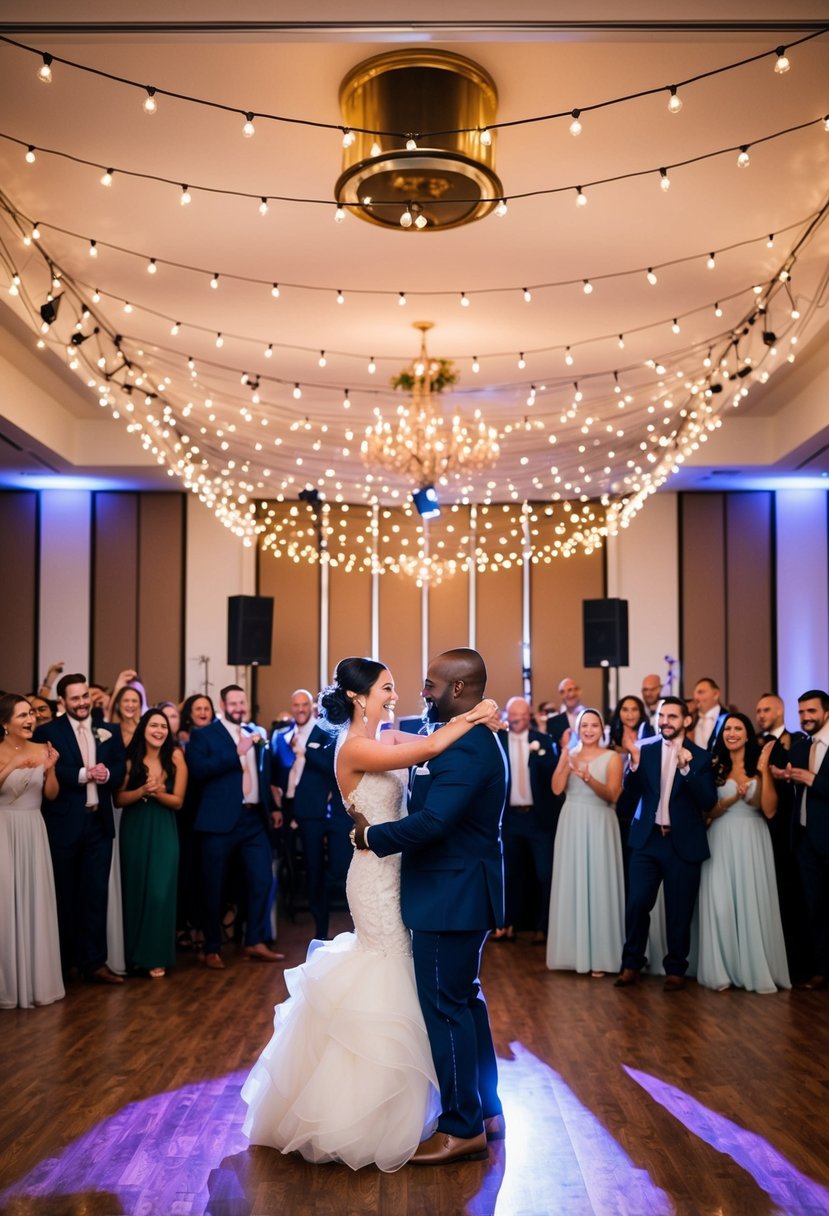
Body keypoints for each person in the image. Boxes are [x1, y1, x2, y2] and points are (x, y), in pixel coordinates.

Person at [242, 655, 501, 1171]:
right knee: (425, 991)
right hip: (380, 874)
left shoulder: (387, 738)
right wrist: (474, 715)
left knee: (448, 1000)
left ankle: (469, 1117)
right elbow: (428, 746)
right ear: (360, 696)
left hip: (419, 879)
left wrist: (473, 716)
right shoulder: (357, 745)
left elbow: (426, 740)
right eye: (389, 686)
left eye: (413, 684)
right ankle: (440, 1113)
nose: (403, 693)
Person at [352, 648, 506, 1165]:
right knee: (465, 1000)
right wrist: (474, 714)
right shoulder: (463, 735)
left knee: (446, 1007)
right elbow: (417, 740)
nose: (423, 693)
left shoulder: (468, 751)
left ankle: (463, 1128)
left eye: (431, 685)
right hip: (456, 890)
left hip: (451, 894)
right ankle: (486, 1110)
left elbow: (435, 823)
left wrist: (372, 835)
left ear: (458, 689)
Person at [615, 695, 716, 991]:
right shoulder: (645, 751)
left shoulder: (700, 757)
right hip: (647, 840)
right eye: (661, 716)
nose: (665, 721)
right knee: (637, 903)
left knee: (679, 909)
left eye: (672, 716)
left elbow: (708, 801)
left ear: (686, 721)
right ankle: (632, 963)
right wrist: (631, 766)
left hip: (681, 843)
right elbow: (630, 792)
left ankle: (676, 969)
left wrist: (687, 770)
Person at [33, 673, 127, 984]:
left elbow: (119, 770)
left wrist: (106, 773)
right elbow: (49, 767)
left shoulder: (109, 729)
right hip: (64, 823)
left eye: (85, 696)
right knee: (65, 894)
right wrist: (86, 773)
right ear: (62, 702)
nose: (83, 702)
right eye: (75, 698)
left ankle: (95, 963)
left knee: (96, 895)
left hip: (99, 823)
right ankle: (66, 964)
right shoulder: (48, 732)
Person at [186, 684, 281, 970]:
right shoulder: (204, 735)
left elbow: (263, 774)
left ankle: (255, 940)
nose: (239, 707)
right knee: (213, 886)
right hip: (219, 821)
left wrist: (272, 807)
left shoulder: (257, 733)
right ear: (222, 704)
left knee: (263, 879)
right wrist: (235, 753)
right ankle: (212, 947)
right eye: (234, 703)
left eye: (243, 702)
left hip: (253, 820)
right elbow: (198, 770)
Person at [696, 713, 789, 993]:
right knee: (721, 906)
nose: (732, 733)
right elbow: (707, 812)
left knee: (751, 903)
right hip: (720, 837)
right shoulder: (714, 766)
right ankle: (722, 970)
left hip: (752, 838)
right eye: (728, 729)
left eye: (738, 728)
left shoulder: (759, 766)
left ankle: (753, 970)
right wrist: (733, 798)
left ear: (748, 735)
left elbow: (769, 809)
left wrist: (763, 769)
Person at [547, 710, 625, 977]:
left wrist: (588, 778)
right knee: (574, 882)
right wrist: (564, 758)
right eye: (585, 725)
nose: (589, 729)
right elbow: (556, 789)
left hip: (600, 821)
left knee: (599, 883)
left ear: (602, 729)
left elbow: (612, 794)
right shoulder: (570, 755)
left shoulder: (612, 757)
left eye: (594, 725)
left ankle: (602, 956)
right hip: (572, 821)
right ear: (578, 728)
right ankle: (572, 953)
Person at [270, 688, 351, 940]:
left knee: (341, 868)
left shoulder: (342, 730)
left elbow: (336, 762)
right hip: (309, 809)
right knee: (313, 870)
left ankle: (351, 927)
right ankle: (320, 930)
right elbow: (319, 757)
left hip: (339, 810)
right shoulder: (312, 732)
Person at [0, 694, 64, 1008]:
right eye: (22, 715)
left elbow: (51, 795)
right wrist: (11, 764)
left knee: (33, 899)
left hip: (33, 827)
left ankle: (36, 980)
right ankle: (9, 985)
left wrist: (50, 770)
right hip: (4, 830)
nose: (30, 720)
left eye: (31, 714)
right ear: (4, 723)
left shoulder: (44, 749)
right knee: (5, 904)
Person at [116, 709, 187, 977]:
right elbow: (119, 799)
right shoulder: (130, 758)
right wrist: (141, 791)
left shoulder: (176, 756)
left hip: (164, 827)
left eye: (164, 726)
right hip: (134, 826)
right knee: (134, 889)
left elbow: (178, 801)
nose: (159, 730)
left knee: (160, 892)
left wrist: (157, 792)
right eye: (154, 725)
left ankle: (155, 955)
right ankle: (132, 955)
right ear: (143, 728)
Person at [773, 689, 829, 990]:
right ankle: (821, 969)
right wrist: (782, 776)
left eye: (812, 711)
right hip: (805, 840)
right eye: (802, 712)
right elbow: (791, 781)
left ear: (826, 712)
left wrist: (812, 780)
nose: (806, 717)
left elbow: (812, 782)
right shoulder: (798, 747)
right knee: (814, 906)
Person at [494, 696, 559, 943]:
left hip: (537, 817)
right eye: (513, 715)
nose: (517, 719)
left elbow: (553, 778)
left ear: (528, 715)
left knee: (544, 874)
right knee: (509, 873)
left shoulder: (543, 741)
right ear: (507, 716)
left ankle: (542, 927)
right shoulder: (498, 741)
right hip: (509, 817)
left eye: (522, 715)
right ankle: (508, 924)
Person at [608, 695, 655, 887]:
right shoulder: (610, 738)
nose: (629, 714)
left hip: (642, 801)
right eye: (625, 709)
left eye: (634, 709)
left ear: (641, 712)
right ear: (619, 712)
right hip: (616, 803)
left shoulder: (650, 736)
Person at [546, 676, 585, 744]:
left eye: (570, 690)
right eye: (562, 692)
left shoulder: (591, 717)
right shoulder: (552, 722)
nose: (567, 695)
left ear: (579, 692)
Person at [692, 677, 728, 751]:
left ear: (716, 694)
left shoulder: (727, 719)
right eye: (695, 693)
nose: (696, 697)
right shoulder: (691, 720)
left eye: (701, 692)